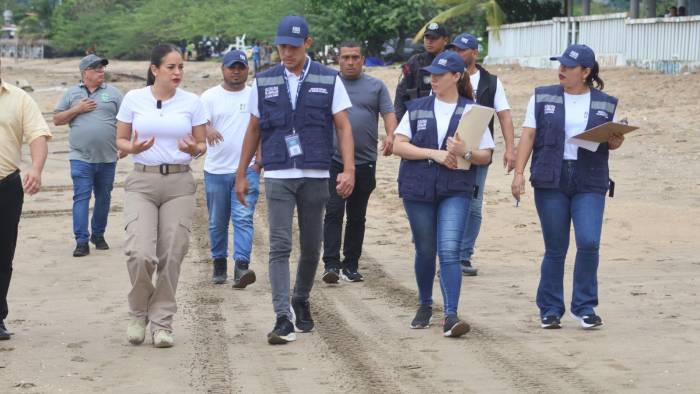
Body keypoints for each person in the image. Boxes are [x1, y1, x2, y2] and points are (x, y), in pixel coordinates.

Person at [235, 15, 355, 345]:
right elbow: (254, 128)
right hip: (277, 174)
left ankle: (301, 298)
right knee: (279, 245)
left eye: (293, 46)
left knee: (312, 247)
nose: (287, 52)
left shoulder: (329, 79)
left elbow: (343, 127)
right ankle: (282, 316)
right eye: (282, 46)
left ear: (308, 43)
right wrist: (242, 172)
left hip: (316, 173)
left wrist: (349, 169)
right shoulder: (264, 79)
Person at [511, 44, 624, 330]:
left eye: (568, 66)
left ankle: (585, 307)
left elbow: (611, 141)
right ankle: (550, 309)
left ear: (585, 72)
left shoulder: (605, 101)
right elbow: (528, 135)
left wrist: (616, 140)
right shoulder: (541, 95)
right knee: (556, 247)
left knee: (589, 241)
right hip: (551, 177)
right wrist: (519, 173)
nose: (560, 70)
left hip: (591, 177)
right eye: (559, 64)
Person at [392, 51, 495, 338]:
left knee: (449, 249)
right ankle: (425, 304)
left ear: (456, 76)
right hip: (418, 187)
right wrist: (434, 154)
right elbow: (398, 146)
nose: (433, 78)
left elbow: (486, 155)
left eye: (439, 74)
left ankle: (450, 315)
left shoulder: (474, 112)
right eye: (431, 74)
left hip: (456, 189)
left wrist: (466, 153)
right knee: (425, 249)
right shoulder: (416, 108)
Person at [116, 44, 207, 348]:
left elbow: (201, 145)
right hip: (142, 180)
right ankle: (138, 312)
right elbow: (120, 139)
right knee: (139, 253)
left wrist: (193, 149)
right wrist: (133, 149)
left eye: (181, 66)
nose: (178, 72)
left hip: (179, 182)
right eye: (171, 67)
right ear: (155, 69)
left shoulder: (193, 102)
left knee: (172, 253)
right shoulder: (133, 99)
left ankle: (162, 323)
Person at [321, 41, 397, 283]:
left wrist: (391, 135)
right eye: (346, 57)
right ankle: (331, 265)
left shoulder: (376, 86)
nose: (350, 62)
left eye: (355, 57)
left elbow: (388, 114)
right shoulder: (329, 85)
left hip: (365, 162)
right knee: (333, 211)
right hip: (333, 160)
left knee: (357, 216)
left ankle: (350, 264)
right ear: (338, 60)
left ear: (363, 59)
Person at [447, 33, 516, 276]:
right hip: (450, 150)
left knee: (473, 206)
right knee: (449, 201)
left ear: (474, 52)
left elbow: (504, 115)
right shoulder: (447, 77)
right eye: (453, 50)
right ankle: (448, 254)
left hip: (479, 153)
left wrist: (510, 148)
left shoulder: (491, 82)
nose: (456, 54)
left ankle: (464, 255)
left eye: (461, 50)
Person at [0, 58, 52, 340]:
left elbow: (37, 135)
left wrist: (36, 168)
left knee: (3, 254)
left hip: (6, 186)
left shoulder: (19, 99)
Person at [53, 54, 124, 257]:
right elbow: (57, 119)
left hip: (108, 157)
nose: (102, 71)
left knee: (104, 198)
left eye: (102, 68)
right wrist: (78, 109)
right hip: (80, 157)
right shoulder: (71, 94)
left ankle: (98, 234)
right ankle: (81, 241)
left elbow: (127, 120)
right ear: (85, 73)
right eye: (97, 68)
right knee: (81, 198)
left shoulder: (114, 93)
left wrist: (125, 144)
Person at [201, 50, 260, 287]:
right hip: (215, 169)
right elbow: (196, 122)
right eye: (231, 67)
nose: (236, 71)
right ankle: (219, 263)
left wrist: (259, 161)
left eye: (240, 67)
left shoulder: (255, 94)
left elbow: (263, 127)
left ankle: (242, 267)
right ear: (222, 69)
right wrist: (207, 128)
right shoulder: (209, 97)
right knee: (217, 220)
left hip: (247, 171)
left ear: (247, 69)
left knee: (243, 218)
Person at [394, 22, 449, 121]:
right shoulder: (415, 61)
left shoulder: (452, 62)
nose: (429, 42)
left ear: (445, 40)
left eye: (434, 38)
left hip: (445, 118)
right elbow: (401, 93)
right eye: (427, 38)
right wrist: (400, 121)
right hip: (417, 117)